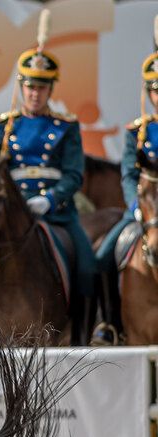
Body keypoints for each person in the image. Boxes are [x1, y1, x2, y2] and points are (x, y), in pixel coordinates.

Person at [0, 9, 99, 346]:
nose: (35, 94)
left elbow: (74, 175)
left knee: (89, 268)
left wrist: (49, 199)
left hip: (57, 213)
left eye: (41, 87)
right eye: (29, 87)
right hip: (11, 215)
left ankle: (84, 334)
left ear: (50, 89)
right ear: (21, 88)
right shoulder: (4, 126)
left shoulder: (66, 127)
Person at [91, 31, 158, 345]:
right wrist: (134, 205)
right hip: (147, 211)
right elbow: (129, 175)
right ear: (149, 94)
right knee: (105, 254)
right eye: (156, 90)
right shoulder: (138, 132)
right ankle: (111, 323)